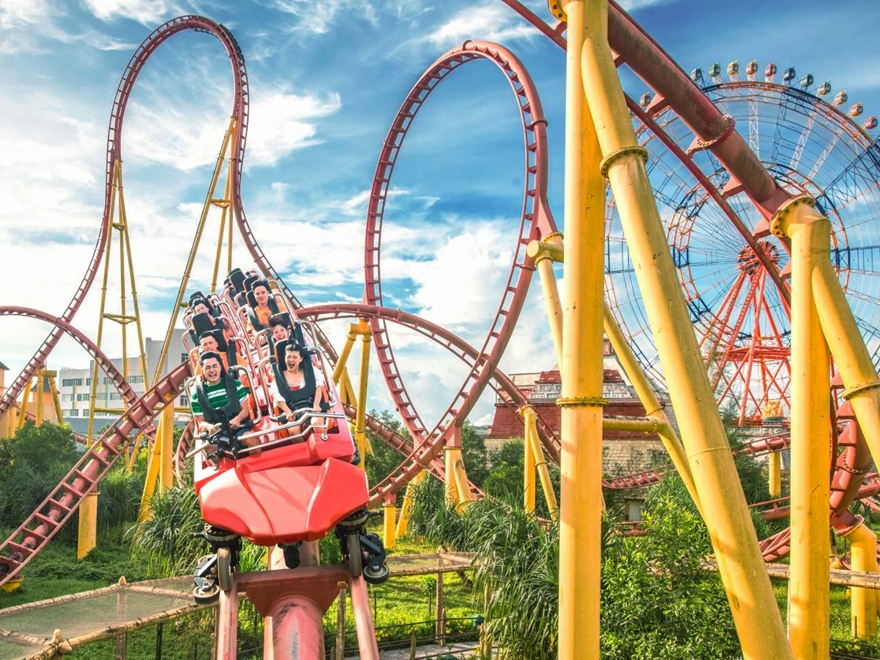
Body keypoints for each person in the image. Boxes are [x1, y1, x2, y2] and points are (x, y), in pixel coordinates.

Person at [190, 352, 257, 451]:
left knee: (251, 440)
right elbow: (201, 422)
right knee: (209, 449)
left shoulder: (236, 385)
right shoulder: (196, 395)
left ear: (220, 367)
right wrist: (209, 427)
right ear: (202, 370)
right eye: (207, 368)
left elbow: (245, 410)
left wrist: (237, 419)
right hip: (217, 433)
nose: (212, 370)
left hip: (238, 427)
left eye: (215, 366)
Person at [268, 343, 328, 438]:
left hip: (312, 407)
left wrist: (316, 404)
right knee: (293, 430)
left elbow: (319, 386)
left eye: (295, 357)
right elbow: (278, 398)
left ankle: (321, 444)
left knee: (317, 423)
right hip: (293, 411)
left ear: (301, 359)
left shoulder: (311, 372)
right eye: (288, 357)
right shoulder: (278, 379)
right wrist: (288, 412)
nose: (291, 360)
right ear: (285, 358)